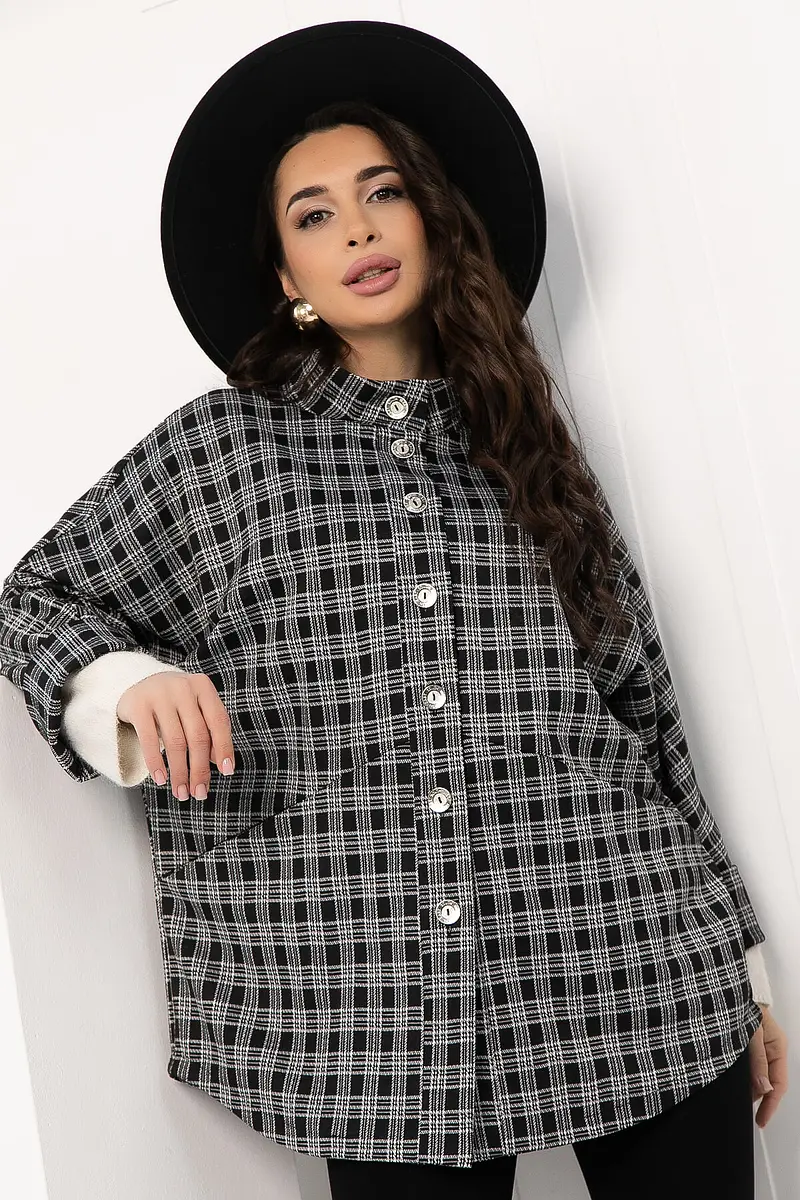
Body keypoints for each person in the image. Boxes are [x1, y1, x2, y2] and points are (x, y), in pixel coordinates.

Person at [0, 20, 787, 1200]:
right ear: (287, 278)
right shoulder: (219, 452)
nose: (359, 230)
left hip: (640, 971)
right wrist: (124, 682)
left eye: (383, 194)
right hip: (370, 1023)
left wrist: (741, 965)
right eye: (314, 215)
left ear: (433, 218)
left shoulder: (530, 448)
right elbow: (31, 600)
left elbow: (639, 710)